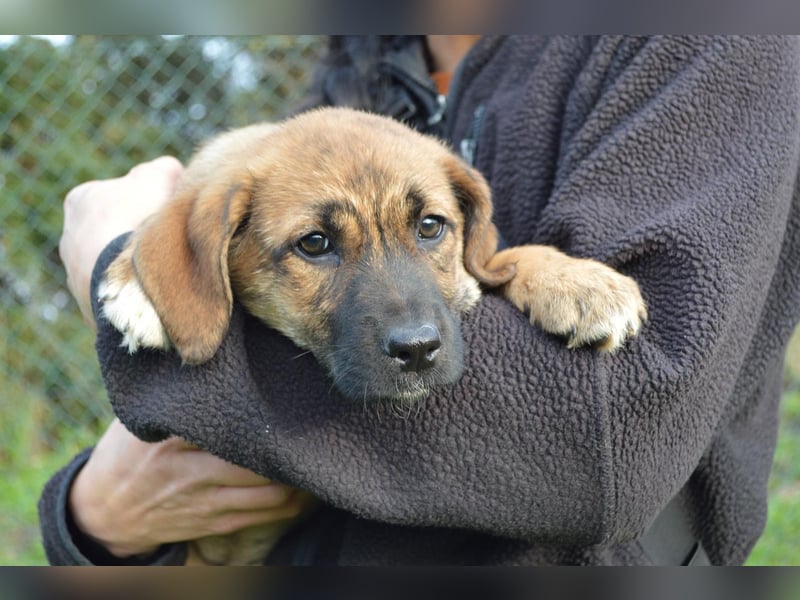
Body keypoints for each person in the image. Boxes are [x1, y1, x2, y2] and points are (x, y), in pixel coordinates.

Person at [40, 35, 800, 565]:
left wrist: (111, 261)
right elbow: (202, 319)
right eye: (316, 245)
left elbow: (604, 429)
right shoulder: (358, 67)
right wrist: (92, 517)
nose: (410, 328)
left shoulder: (711, 42)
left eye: (428, 225)